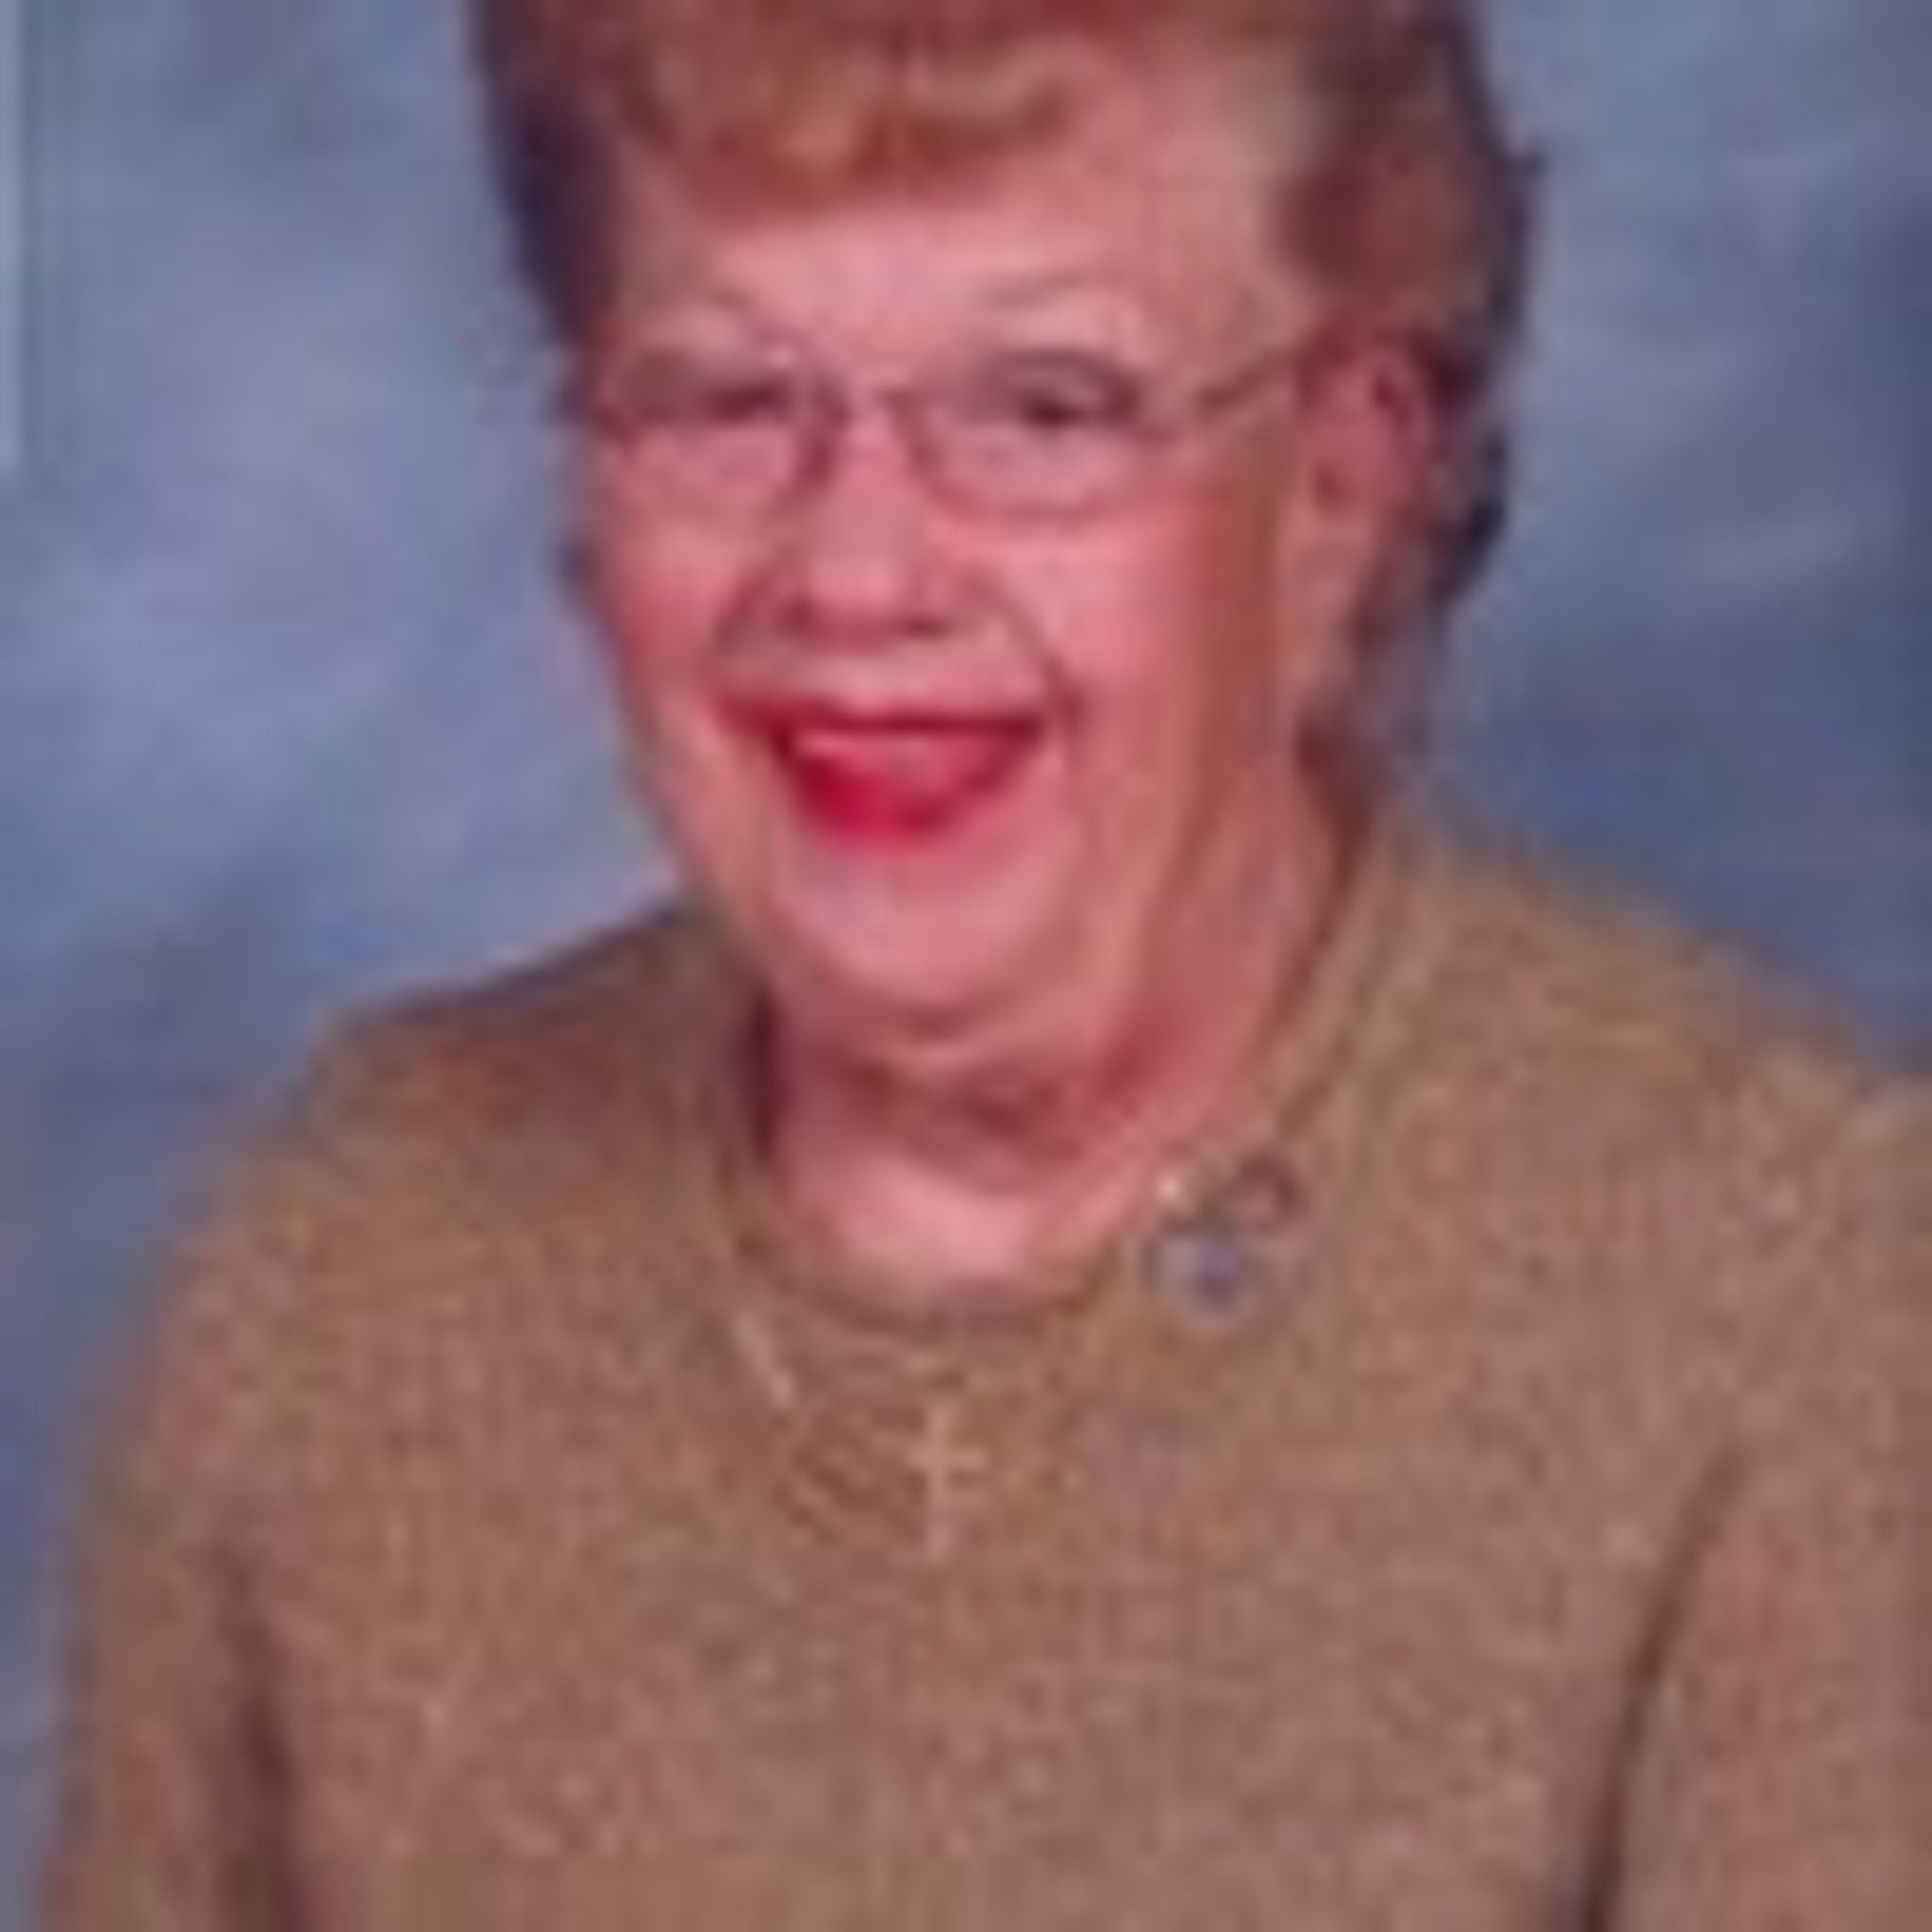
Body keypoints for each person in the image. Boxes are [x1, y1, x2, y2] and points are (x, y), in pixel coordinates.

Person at [44, 0, 1926, 1924]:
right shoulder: (350, 1249)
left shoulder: (1785, 1295)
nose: (858, 576)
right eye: (724, 399)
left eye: (1043, 407)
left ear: (1341, 487)